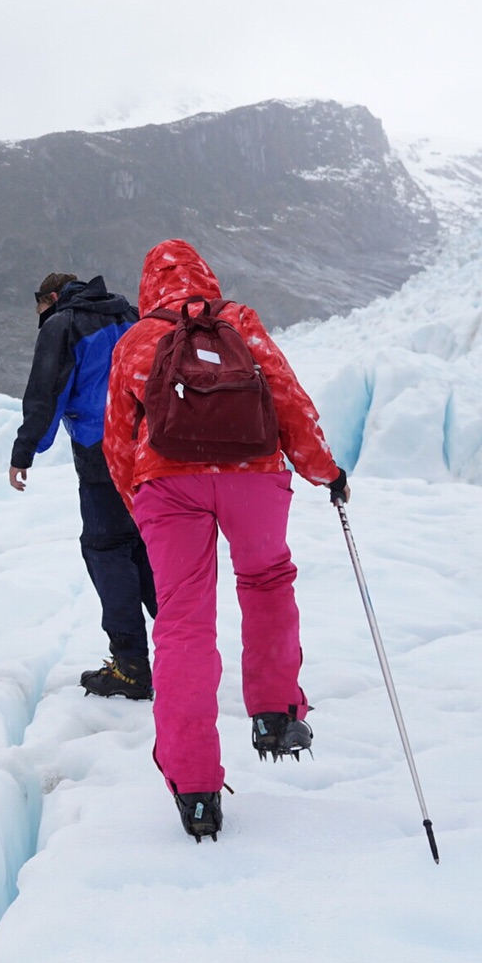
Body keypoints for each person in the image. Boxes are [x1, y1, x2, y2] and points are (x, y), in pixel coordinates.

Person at [103, 239, 347, 842]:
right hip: (254, 476)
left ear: (147, 288)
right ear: (205, 278)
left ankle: (195, 788)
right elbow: (288, 401)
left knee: (183, 623)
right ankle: (275, 715)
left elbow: (116, 438)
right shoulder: (238, 321)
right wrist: (325, 472)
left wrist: (145, 507)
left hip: (168, 484)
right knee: (266, 583)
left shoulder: (134, 341)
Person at [9, 271, 158, 700]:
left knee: (107, 549)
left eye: (39, 309)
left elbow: (46, 392)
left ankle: (130, 666)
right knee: (145, 547)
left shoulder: (63, 324)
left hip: (100, 453)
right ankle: (181, 650)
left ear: (52, 297)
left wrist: (25, 450)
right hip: (148, 450)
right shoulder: (128, 313)